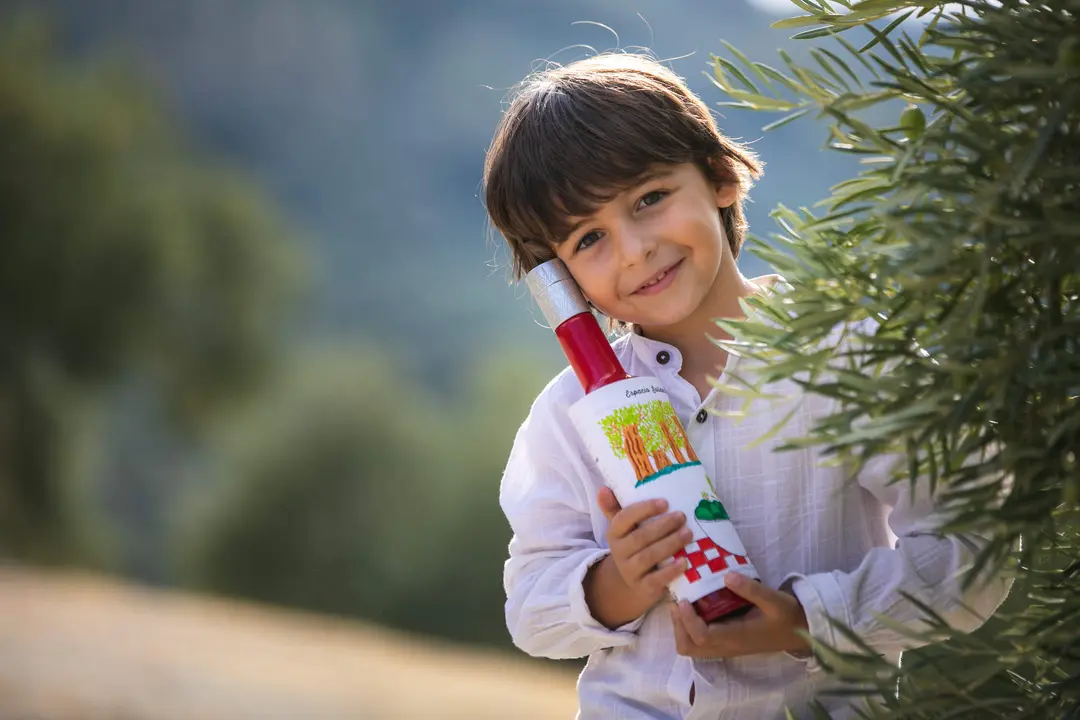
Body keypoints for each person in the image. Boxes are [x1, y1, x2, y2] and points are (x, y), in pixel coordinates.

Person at [482, 52, 1012, 719]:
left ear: (721, 176)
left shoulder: (849, 353)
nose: (634, 249)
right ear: (561, 284)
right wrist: (618, 583)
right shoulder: (569, 413)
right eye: (589, 239)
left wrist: (806, 621)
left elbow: (973, 549)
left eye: (649, 199)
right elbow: (531, 610)